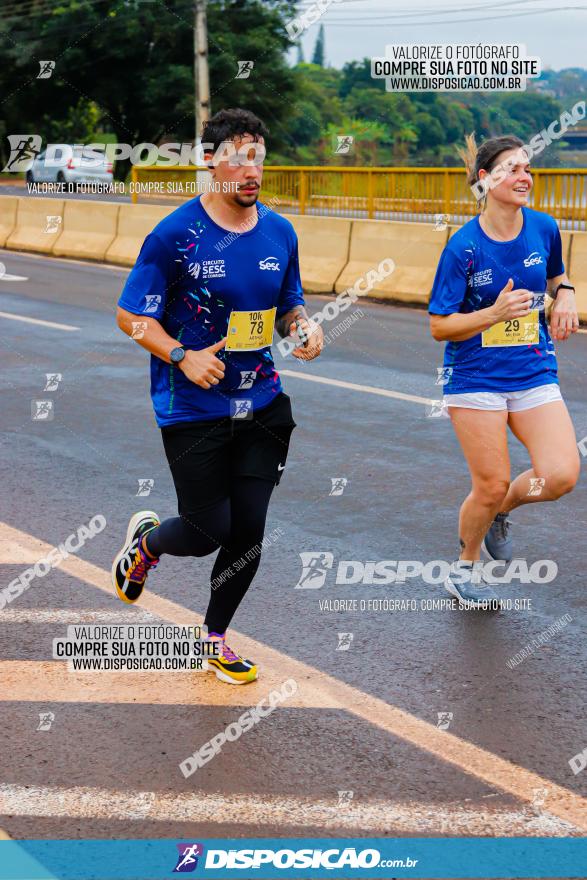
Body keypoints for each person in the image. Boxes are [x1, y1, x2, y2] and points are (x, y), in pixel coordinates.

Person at [112, 108, 323, 681]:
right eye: (238, 154)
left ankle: (216, 637)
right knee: (208, 532)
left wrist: (301, 326)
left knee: (249, 531)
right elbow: (129, 316)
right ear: (211, 161)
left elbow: (287, 305)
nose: (251, 168)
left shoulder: (281, 232)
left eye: (259, 154)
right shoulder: (175, 235)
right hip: (193, 408)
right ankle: (148, 545)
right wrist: (182, 354)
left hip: (262, 404)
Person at [429, 133, 580, 609]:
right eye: (511, 169)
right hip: (475, 377)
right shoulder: (463, 248)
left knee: (560, 476)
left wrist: (568, 294)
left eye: (527, 168)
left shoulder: (543, 227)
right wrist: (491, 315)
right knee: (490, 483)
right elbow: (439, 325)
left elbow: (557, 275)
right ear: (484, 179)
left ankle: (501, 512)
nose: (524, 177)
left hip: (533, 370)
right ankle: (464, 568)